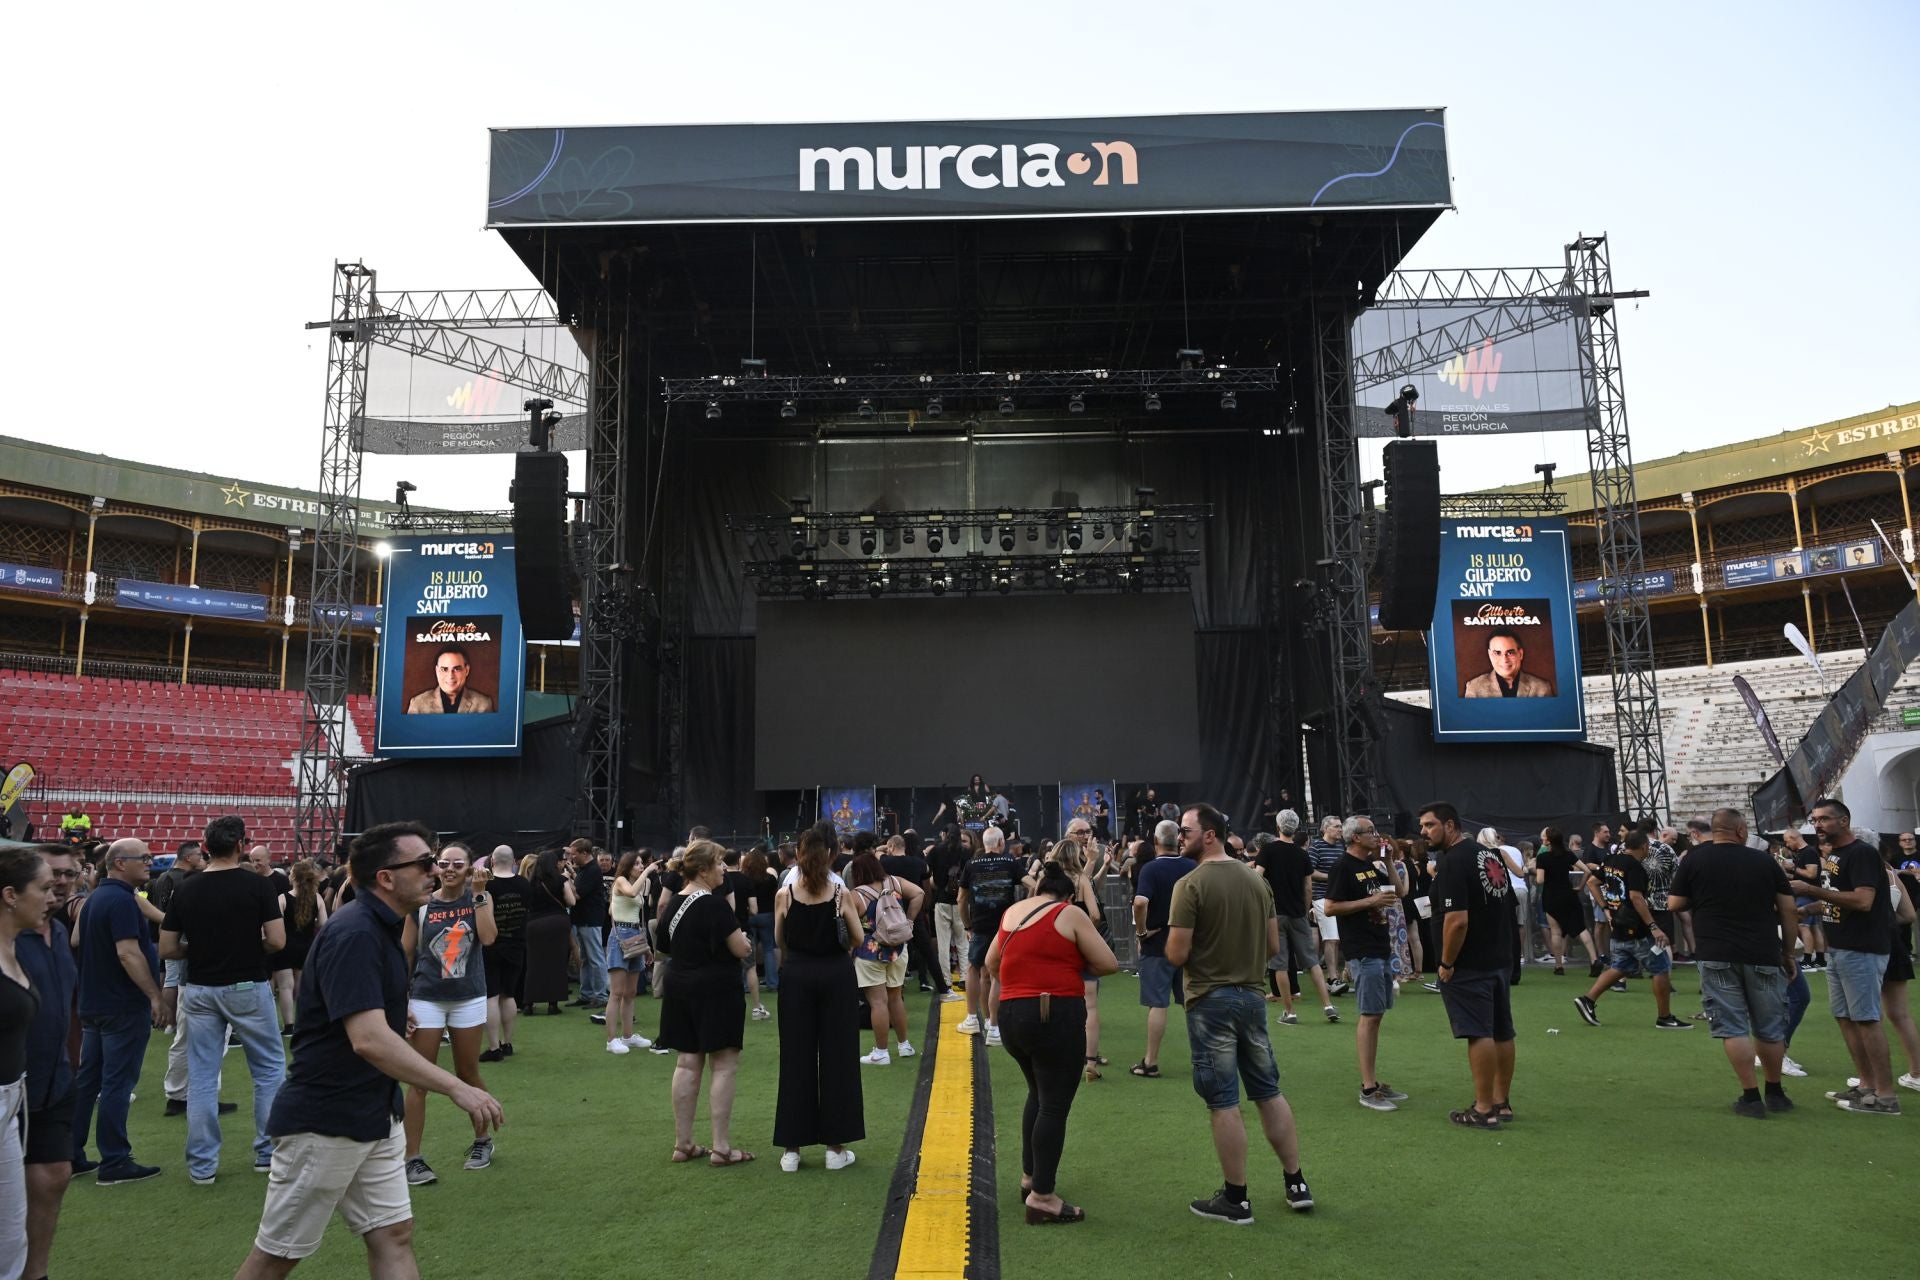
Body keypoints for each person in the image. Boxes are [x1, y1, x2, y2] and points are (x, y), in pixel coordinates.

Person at [229, 821, 504, 1278]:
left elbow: (366, 1018)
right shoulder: (355, 932)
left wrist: (396, 1015)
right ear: (386, 878)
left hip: (374, 1114)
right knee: (277, 1256)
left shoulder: (383, 927)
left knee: (393, 1233)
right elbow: (368, 1039)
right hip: (327, 1120)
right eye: (423, 863)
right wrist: (457, 1087)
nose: (435, 870)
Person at [1165, 803, 1312, 1224]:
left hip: (1210, 1000)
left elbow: (1176, 953)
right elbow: (1270, 947)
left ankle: (1236, 1199)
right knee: (1268, 1091)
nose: (1181, 835)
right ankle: (1296, 1182)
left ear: (1209, 834)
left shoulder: (1189, 885)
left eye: (1187, 829)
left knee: (1223, 1100)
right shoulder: (1254, 880)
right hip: (1251, 997)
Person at [986, 859, 1119, 1225]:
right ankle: (1042, 1196)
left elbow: (990, 962)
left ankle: (1030, 1178)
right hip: (1053, 1012)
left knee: (1038, 1095)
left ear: (1037, 888)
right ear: (1068, 894)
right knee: (1054, 1105)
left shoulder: (1014, 912)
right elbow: (1108, 963)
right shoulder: (1069, 913)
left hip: (1013, 1014)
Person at [159, 814, 288, 1184]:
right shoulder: (258, 885)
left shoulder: (185, 887)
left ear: (205, 847)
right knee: (267, 1071)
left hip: (200, 988)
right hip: (247, 985)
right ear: (241, 845)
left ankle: (202, 1166)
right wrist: (246, 948)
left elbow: (168, 947)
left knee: (201, 1074)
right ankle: (267, 1154)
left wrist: (202, 952)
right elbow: (277, 941)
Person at [1665, 808, 1801, 1118]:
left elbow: (1674, 903)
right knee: (1769, 1027)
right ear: (1741, 831)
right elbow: (1788, 909)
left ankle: (1751, 1098)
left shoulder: (1695, 859)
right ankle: (1776, 1092)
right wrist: (1789, 953)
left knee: (1733, 1026)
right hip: (1763, 950)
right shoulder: (1764, 861)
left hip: (1716, 951)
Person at [1791, 797, 1899, 1114]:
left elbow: (1864, 901)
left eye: (1824, 819)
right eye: (1815, 819)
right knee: (1846, 1017)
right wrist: (1810, 909)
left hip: (1862, 947)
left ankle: (1886, 1095)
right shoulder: (1836, 856)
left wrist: (1811, 891)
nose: (1818, 825)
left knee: (1866, 1018)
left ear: (1844, 821)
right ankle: (1865, 1085)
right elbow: (1839, 899)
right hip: (1840, 947)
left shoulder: (1862, 854)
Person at [71, 837, 168, 1184]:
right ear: (119, 863)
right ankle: (114, 1161)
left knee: (89, 1081)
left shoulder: (95, 897)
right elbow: (128, 953)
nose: (150, 862)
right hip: (122, 1004)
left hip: (94, 1002)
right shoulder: (123, 901)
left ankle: (71, 1155)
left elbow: (76, 941)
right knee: (116, 1082)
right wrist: (155, 995)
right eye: (143, 857)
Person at [399, 842, 498, 1184]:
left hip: (467, 996)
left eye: (458, 864)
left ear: (471, 868)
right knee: (419, 1077)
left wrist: (481, 893)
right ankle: (412, 1157)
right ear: (436, 867)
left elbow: (487, 938)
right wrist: (400, 999)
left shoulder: (478, 899)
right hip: (427, 995)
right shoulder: (421, 905)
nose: (450, 869)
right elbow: (404, 953)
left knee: (468, 1072)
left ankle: (482, 1140)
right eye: (444, 863)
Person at [773, 823, 867, 1173]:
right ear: (829, 854)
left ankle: (791, 1151)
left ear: (797, 855)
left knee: (795, 1058)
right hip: (835, 976)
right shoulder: (841, 894)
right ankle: (834, 1147)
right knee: (838, 1058)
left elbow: (781, 941)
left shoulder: (784, 894)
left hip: (796, 976)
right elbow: (857, 939)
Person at [657, 841, 755, 1165]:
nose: (724, 868)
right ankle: (721, 1147)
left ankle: (683, 1143)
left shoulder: (674, 903)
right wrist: (745, 943)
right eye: (719, 863)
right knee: (724, 1064)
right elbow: (741, 949)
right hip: (716, 987)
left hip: (679, 984)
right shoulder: (715, 905)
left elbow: (664, 947)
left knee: (687, 1062)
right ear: (703, 869)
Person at [1423, 802, 1517, 1129]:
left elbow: (1457, 921)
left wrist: (1447, 962)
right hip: (1498, 956)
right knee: (1502, 1030)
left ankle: (1483, 1108)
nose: (1424, 832)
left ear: (1450, 826)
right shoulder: (1490, 855)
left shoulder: (1453, 862)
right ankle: (1501, 1102)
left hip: (1469, 961)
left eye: (1430, 825)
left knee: (1479, 1032)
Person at [18, 845, 79, 1280]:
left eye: (68, 875)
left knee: (56, 1173)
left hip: (55, 1077)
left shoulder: (59, 933)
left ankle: (35, 1273)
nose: (60, 883)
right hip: (12, 1080)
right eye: (51, 876)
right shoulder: (8, 937)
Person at [1325, 815, 1408, 1112]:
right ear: (1355, 837)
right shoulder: (1342, 866)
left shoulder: (1369, 867)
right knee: (1369, 1016)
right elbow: (1330, 907)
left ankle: (1373, 1081)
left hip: (1379, 947)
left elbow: (1400, 892)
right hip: (1362, 951)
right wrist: (1369, 903)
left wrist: (1386, 864)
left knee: (1377, 1015)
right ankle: (1367, 1087)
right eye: (1370, 832)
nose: (1376, 835)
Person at [1574, 830, 1691, 1031]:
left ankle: (1588, 999)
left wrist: (1605, 908)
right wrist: (1654, 927)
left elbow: (1593, 882)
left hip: (1618, 924)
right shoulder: (1636, 867)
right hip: (1637, 928)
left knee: (1621, 966)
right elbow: (1636, 898)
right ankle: (1665, 1017)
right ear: (1644, 846)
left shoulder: (1611, 860)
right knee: (1661, 967)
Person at [2, 846, 53, 1280]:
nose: (52, 898)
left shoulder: (16, 948)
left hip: (12, 1100)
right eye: (44, 888)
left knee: (11, 1240)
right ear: (10, 895)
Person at [1129, 819, 1195, 1077]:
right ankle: (1203, 1057)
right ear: (1178, 839)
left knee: (1158, 1004)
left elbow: (1140, 902)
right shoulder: (1192, 866)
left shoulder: (1150, 869)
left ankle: (1151, 1061)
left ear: (1155, 841)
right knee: (1192, 1003)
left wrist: (1142, 932)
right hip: (1188, 944)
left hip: (1157, 946)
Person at [850, 850, 924, 1065]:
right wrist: (909, 921)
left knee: (877, 1002)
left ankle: (881, 1052)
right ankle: (904, 1045)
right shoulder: (895, 882)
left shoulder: (857, 895)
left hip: (869, 951)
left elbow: (850, 926)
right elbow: (919, 893)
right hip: (898, 948)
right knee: (895, 997)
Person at [957, 826, 1022, 1046]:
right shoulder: (1011, 862)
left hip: (980, 925)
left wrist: (967, 925)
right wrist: (1022, 910)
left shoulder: (971, 864)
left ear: (983, 844)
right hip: (1005, 925)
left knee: (974, 969)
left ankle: (972, 1018)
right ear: (1001, 842)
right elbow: (1032, 885)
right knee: (996, 974)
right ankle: (994, 1027)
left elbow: (961, 899)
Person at [478, 847, 529, 1063]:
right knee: (509, 995)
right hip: (517, 944)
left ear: (492, 861)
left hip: (491, 946)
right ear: (514, 861)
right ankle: (507, 1043)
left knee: (491, 996)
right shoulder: (525, 885)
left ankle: (493, 1046)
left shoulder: (487, 886)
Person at [604, 850, 655, 1056]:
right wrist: (649, 872)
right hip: (621, 935)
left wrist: (646, 947)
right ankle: (611, 1039)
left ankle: (628, 1035)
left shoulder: (634, 883)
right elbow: (632, 893)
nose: (641, 866)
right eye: (637, 864)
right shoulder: (621, 881)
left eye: (642, 864)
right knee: (616, 992)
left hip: (635, 934)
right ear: (627, 866)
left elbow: (614, 910)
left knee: (631, 992)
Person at [1535, 828, 1598, 975]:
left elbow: (1540, 880)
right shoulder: (1567, 855)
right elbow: (1587, 871)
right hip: (1569, 894)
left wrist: (1532, 870)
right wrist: (1580, 887)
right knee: (1581, 928)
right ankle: (1594, 959)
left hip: (1551, 897)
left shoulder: (1542, 858)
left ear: (1548, 841)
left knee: (1556, 932)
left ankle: (1558, 965)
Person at [521, 850, 574, 1016]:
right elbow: (571, 901)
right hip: (557, 923)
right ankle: (553, 1004)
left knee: (533, 964)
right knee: (556, 964)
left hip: (533, 925)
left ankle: (528, 1003)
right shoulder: (561, 879)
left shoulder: (529, 883)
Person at [282, 861, 328, 1026]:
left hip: (285, 947)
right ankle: (303, 1020)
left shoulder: (283, 898)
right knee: (302, 987)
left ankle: (288, 1025)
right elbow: (324, 924)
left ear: (293, 877)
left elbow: (276, 923)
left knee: (286, 987)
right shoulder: (317, 898)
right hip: (307, 946)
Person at [1305, 815, 1349, 991]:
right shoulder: (1316, 846)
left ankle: (1336, 977)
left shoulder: (1341, 846)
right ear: (1325, 829)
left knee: (1337, 938)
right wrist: (1333, 878)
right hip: (1322, 896)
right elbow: (1310, 871)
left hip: (1340, 897)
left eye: (1340, 827)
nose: (1340, 829)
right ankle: (1332, 979)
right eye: (1336, 827)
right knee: (1331, 938)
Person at [566, 839, 609, 1011]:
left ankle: (600, 996)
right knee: (586, 959)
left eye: (574, 853)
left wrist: (565, 881)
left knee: (595, 959)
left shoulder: (592, 870)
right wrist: (571, 873)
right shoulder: (586, 870)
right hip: (584, 920)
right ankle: (587, 994)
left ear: (585, 853)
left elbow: (577, 895)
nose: (571, 856)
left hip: (590, 921)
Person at [403, 645, 496, 714]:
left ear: (466, 670)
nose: (450, 675)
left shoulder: (483, 704)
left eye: (456, 669)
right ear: (437, 671)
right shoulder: (418, 704)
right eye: (444, 669)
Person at [1462, 629, 1554, 698]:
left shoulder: (1542, 689)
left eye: (1510, 653)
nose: (1504, 659)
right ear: (1490, 655)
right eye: (1497, 653)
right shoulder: (1474, 688)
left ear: (1520, 654)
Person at [929, 825, 968, 988]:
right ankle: (965, 977)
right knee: (963, 942)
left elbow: (928, 873)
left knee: (943, 944)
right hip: (961, 900)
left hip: (941, 900)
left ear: (944, 834)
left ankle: (946, 980)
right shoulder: (966, 852)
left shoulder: (936, 851)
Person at [742, 849, 780, 996]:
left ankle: (746, 984)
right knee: (769, 950)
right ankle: (773, 983)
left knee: (748, 950)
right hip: (768, 915)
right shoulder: (770, 879)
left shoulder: (744, 878)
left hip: (750, 915)